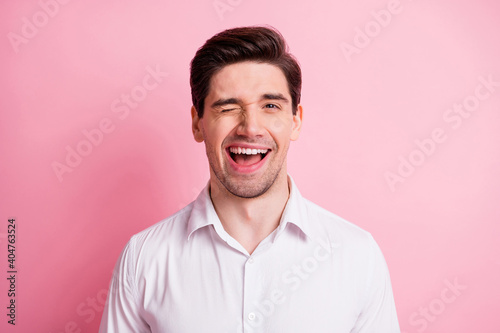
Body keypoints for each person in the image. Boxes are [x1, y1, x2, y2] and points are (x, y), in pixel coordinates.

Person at [99, 25, 400, 333]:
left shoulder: (356, 255)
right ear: (197, 123)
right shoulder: (144, 258)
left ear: (295, 121)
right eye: (228, 107)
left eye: (270, 106)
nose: (250, 127)